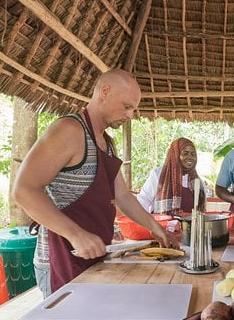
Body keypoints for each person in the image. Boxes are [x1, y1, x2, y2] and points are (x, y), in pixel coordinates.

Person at [13, 69, 178, 298]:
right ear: (104, 91)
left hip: (93, 257)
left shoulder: (107, 144)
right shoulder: (69, 130)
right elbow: (23, 190)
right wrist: (76, 235)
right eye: (127, 106)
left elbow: (122, 195)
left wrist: (154, 226)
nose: (131, 115)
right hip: (60, 259)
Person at [136, 137, 206, 214]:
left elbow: (200, 211)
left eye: (193, 154)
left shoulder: (197, 181)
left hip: (190, 225)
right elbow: (143, 201)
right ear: (175, 154)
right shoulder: (158, 175)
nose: (190, 157)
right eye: (185, 153)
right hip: (162, 224)